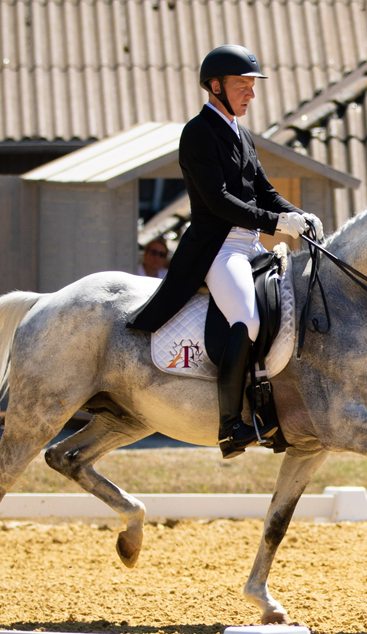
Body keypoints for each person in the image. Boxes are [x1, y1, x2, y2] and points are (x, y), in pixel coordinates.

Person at [128, 44, 324, 459]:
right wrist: (276, 223)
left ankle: (269, 406)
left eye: (252, 86)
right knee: (247, 320)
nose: (251, 93)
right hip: (219, 248)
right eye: (241, 85)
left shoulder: (241, 133)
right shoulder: (199, 132)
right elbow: (217, 201)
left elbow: (264, 191)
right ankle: (230, 425)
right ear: (215, 87)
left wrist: (298, 215)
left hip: (250, 245)